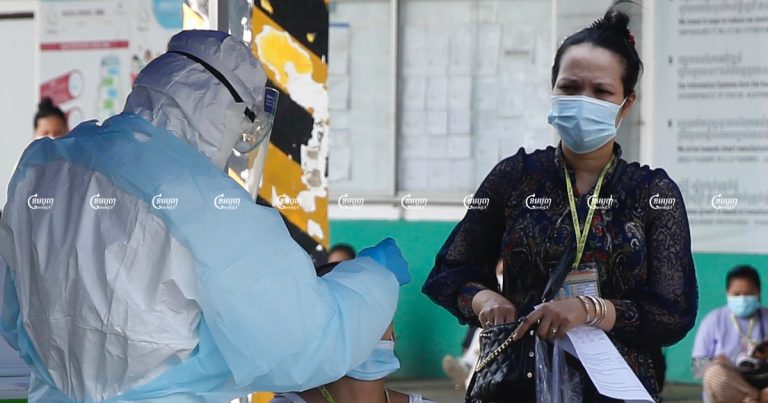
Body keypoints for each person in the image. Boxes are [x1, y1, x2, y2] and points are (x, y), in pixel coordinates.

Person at [0, 30, 410, 402]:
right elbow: (303, 341)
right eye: (241, 128)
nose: (236, 145)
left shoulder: (43, 166)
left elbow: (14, 313)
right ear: (221, 112)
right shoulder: (200, 200)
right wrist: (375, 277)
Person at [422, 8, 698, 402]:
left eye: (601, 91)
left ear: (626, 103)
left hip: (615, 389)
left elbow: (674, 311)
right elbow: (450, 270)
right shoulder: (515, 177)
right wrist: (484, 298)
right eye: (570, 87)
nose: (583, 100)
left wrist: (590, 309)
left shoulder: (652, 192)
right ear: (552, 90)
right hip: (516, 382)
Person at [693, 265, 768, 403]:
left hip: (762, 379)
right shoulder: (714, 320)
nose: (743, 299)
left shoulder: (766, 317)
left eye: (749, 294)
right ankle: (756, 397)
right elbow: (697, 367)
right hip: (731, 387)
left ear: (758, 292)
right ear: (727, 292)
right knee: (714, 374)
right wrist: (715, 362)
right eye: (737, 294)